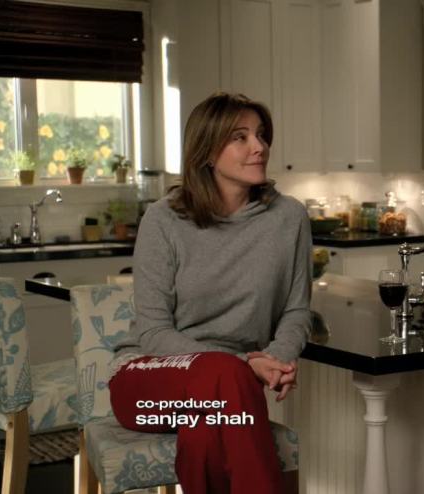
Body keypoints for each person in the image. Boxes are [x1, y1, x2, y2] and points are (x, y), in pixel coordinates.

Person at [110, 92, 312, 493]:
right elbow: (153, 332)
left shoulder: (289, 217)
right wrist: (244, 365)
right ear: (206, 152)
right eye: (240, 137)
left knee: (208, 424)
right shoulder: (164, 219)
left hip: (228, 391)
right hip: (150, 381)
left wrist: (276, 357)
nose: (259, 147)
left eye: (261, 134)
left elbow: (296, 310)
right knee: (222, 377)